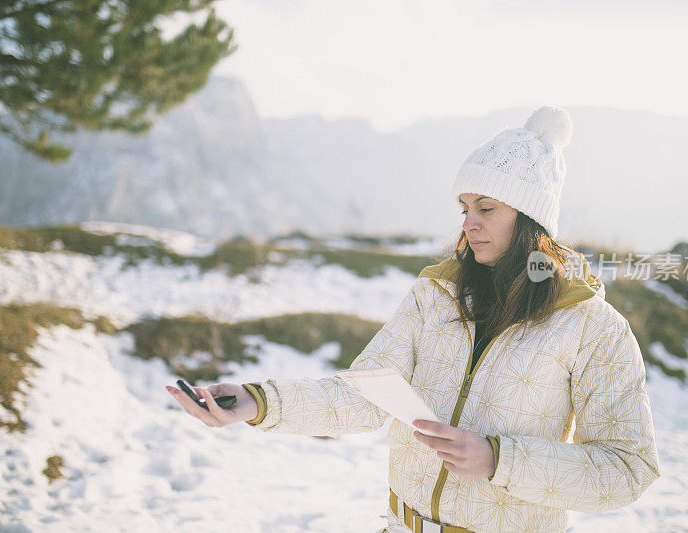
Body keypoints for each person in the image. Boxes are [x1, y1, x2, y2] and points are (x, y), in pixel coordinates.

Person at [166, 105, 661, 533]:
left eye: (486, 208)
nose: (469, 222)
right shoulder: (436, 294)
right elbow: (359, 396)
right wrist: (256, 402)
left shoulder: (593, 327)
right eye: (465, 207)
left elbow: (627, 468)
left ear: (531, 221)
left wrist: (498, 459)